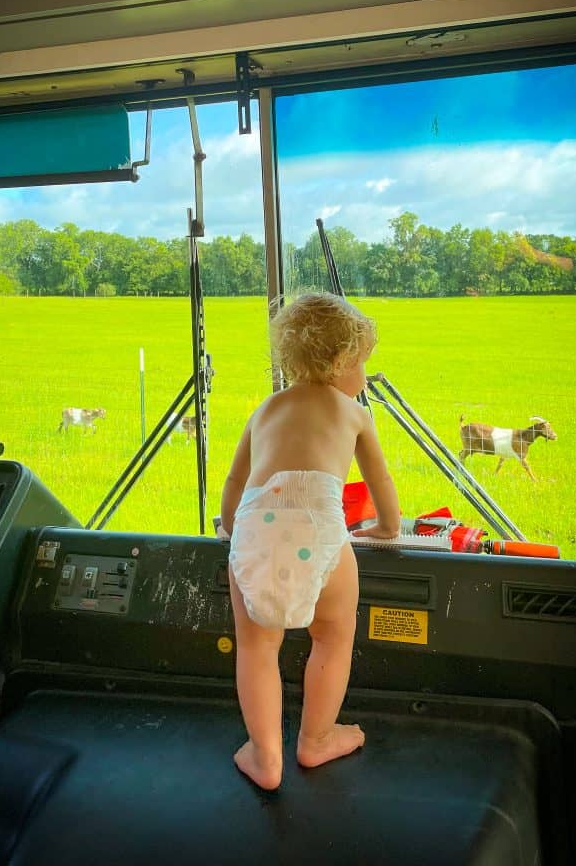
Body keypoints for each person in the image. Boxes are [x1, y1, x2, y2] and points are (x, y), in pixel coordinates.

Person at [220, 292, 401, 790]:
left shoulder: (267, 408)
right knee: (333, 636)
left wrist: (231, 529)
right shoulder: (353, 413)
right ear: (344, 362)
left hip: (257, 526)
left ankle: (264, 756)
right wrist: (388, 527)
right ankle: (316, 740)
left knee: (256, 648)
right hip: (320, 528)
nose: (363, 376)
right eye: (362, 364)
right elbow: (381, 482)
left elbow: (235, 484)